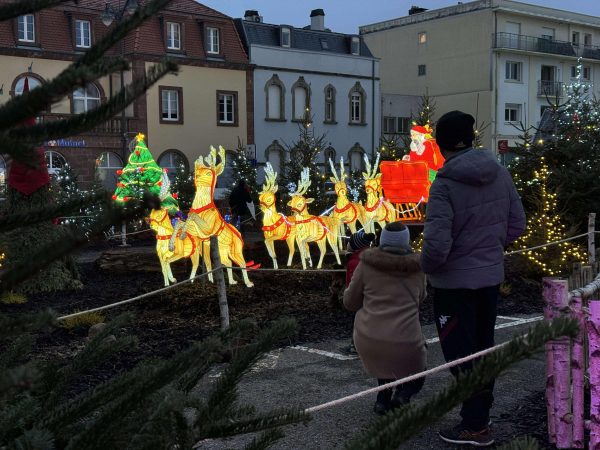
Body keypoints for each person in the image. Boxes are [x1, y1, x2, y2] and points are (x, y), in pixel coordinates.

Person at [421, 110, 526, 447]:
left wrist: (426, 268)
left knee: (461, 356)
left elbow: (436, 246)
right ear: (472, 138)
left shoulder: (444, 186)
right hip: (489, 279)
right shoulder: (500, 174)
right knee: (483, 348)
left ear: (440, 145)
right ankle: (481, 414)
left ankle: (475, 425)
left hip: (453, 286)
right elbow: (517, 226)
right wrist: (488, 248)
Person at [344, 222, 427, 415]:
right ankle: (403, 395)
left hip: (369, 336)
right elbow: (421, 298)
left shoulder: (366, 265)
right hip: (406, 336)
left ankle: (382, 399)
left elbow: (350, 302)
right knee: (420, 368)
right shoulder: (418, 267)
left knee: (384, 358)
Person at [339, 230, 376, 356]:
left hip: (360, 297)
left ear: (355, 245)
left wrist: (349, 296)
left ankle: (356, 347)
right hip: (371, 296)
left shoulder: (355, 261)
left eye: (350, 242)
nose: (348, 244)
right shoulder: (370, 256)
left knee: (358, 321)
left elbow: (353, 282)